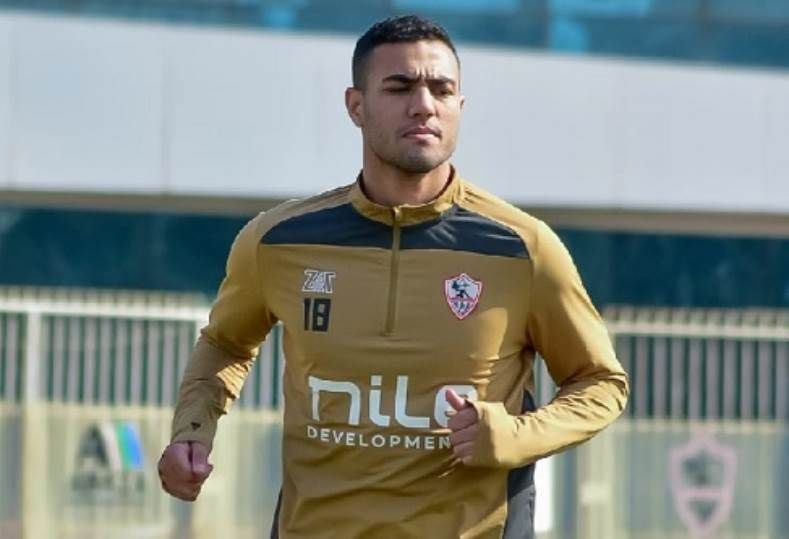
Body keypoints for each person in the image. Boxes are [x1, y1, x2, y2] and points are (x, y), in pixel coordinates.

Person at [158, 14, 629, 538]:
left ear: (460, 106)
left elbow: (600, 384)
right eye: (400, 87)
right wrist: (192, 429)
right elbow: (225, 343)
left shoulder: (524, 248)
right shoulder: (277, 241)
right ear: (355, 106)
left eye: (441, 90)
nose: (423, 105)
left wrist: (516, 435)